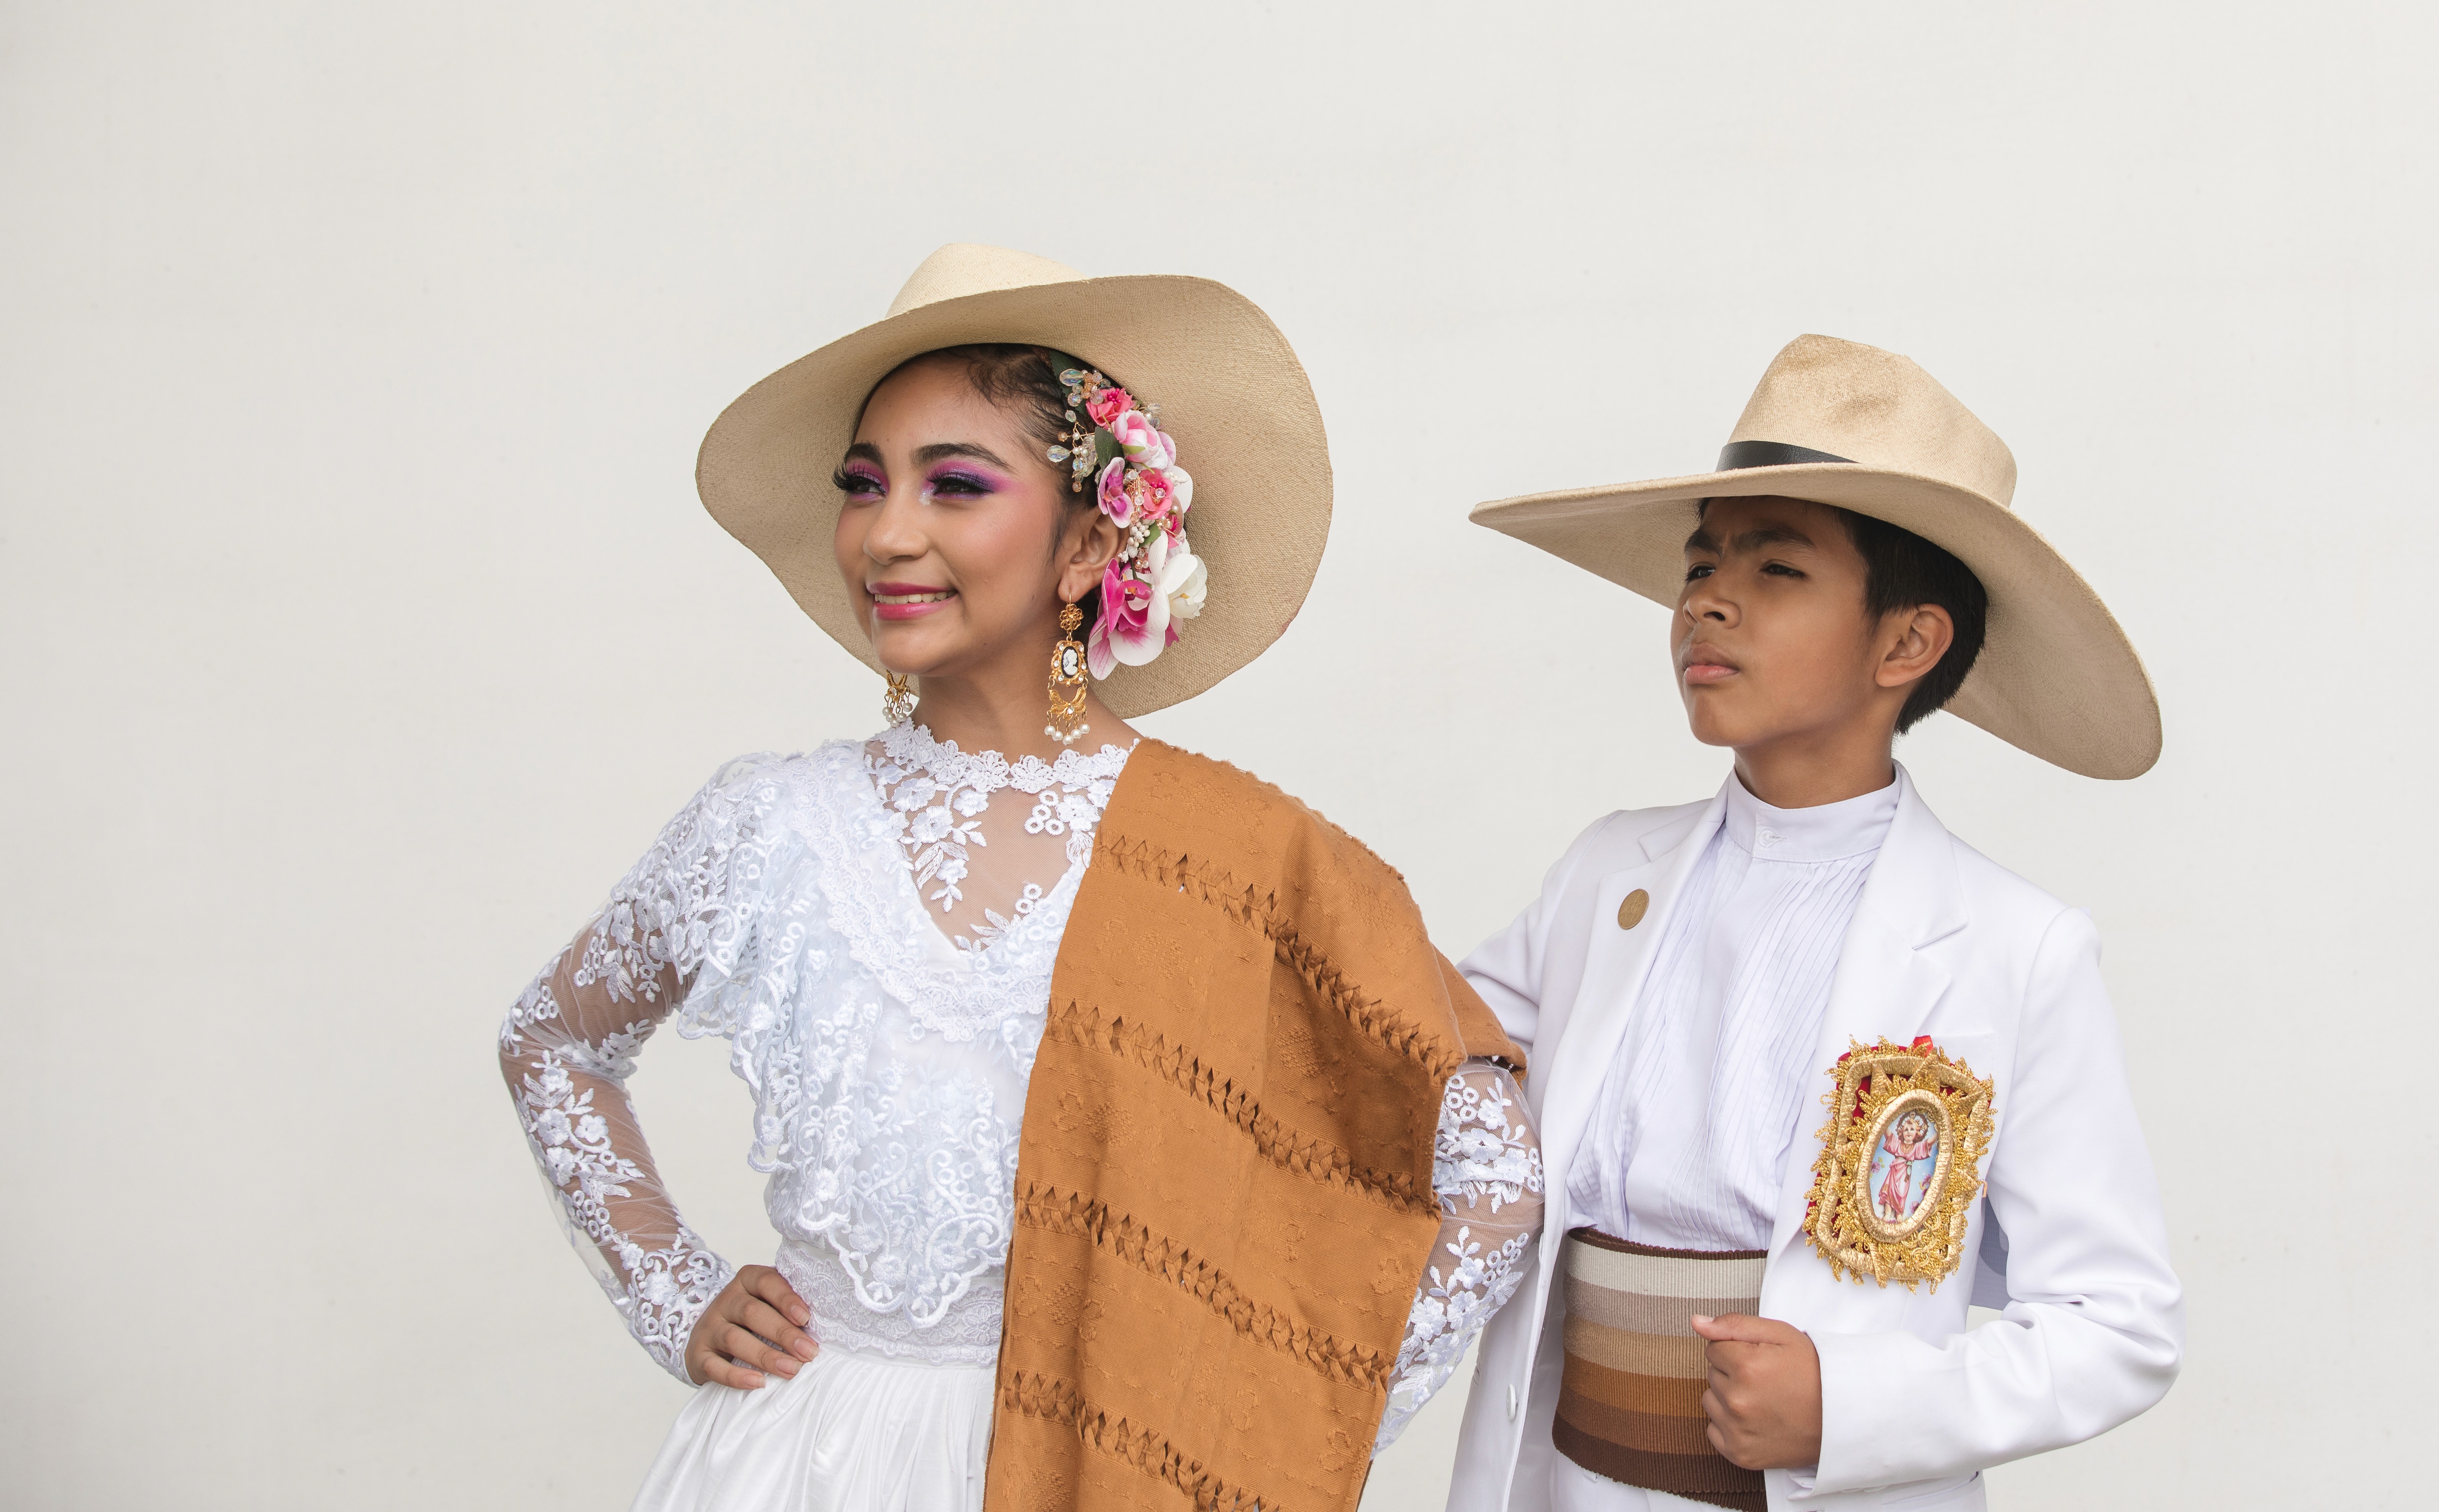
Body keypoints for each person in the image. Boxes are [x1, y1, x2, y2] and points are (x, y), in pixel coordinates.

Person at [498, 244, 1544, 1512]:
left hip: (1100, 1467)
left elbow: (1493, 1178)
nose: (889, 533)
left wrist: (1275, 1430)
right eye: (864, 484)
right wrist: (674, 1292)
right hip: (793, 1461)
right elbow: (551, 1040)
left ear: (1090, 541)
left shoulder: (1240, 858)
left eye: (955, 485)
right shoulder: (765, 825)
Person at [1443, 336, 2181, 1512]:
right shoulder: (1603, 878)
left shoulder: (2011, 950)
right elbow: (1432, 1062)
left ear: (1907, 643)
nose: (1706, 600)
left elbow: (2119, 1325)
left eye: (1777, 567)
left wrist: (1852, 1407)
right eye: (1701, 562)